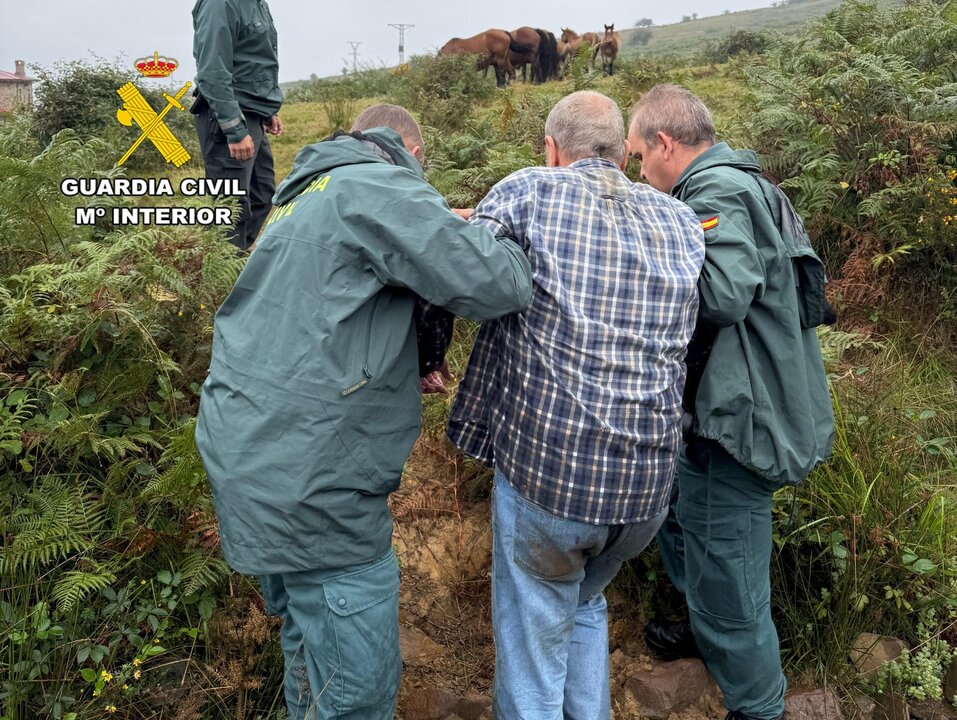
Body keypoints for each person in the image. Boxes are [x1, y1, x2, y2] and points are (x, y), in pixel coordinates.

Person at [194, 104, 534, 720]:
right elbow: (499, 284)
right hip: (313, 481)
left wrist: (434, 227)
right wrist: (495, 233)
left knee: (307, 641)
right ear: (411, 153)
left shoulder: (307, 193)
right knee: (359, 689)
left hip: (248, 452)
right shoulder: (379, 185)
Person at [447, 90, 705, 719]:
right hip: (645, 491)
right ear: (623, 154)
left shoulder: (528, 191)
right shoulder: (678, 219)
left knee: (534, 634)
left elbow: (460, 273)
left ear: (552, 149)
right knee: (585, 601)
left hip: (555, 483)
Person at [627, 83, 835, 720]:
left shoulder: (715, 193)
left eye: (639, 156)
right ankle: (703, 627)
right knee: (678, 515)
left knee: (729, 581)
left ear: (665, 144)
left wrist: (636, 255)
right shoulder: (736, 181)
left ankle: (757, 706)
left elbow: (722, 294)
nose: (638, 170)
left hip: (740, 422)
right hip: (722, 410)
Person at [191, 0, 284, 251]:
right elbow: (212, 71)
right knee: (231, 206)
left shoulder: (256, 4)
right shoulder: (221, 4)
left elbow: (251, 62)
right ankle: (220, 266)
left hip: (251, 113)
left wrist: (265, 111)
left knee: (263, 193)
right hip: (227, 117)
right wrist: (233, 128)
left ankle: (234, 258)